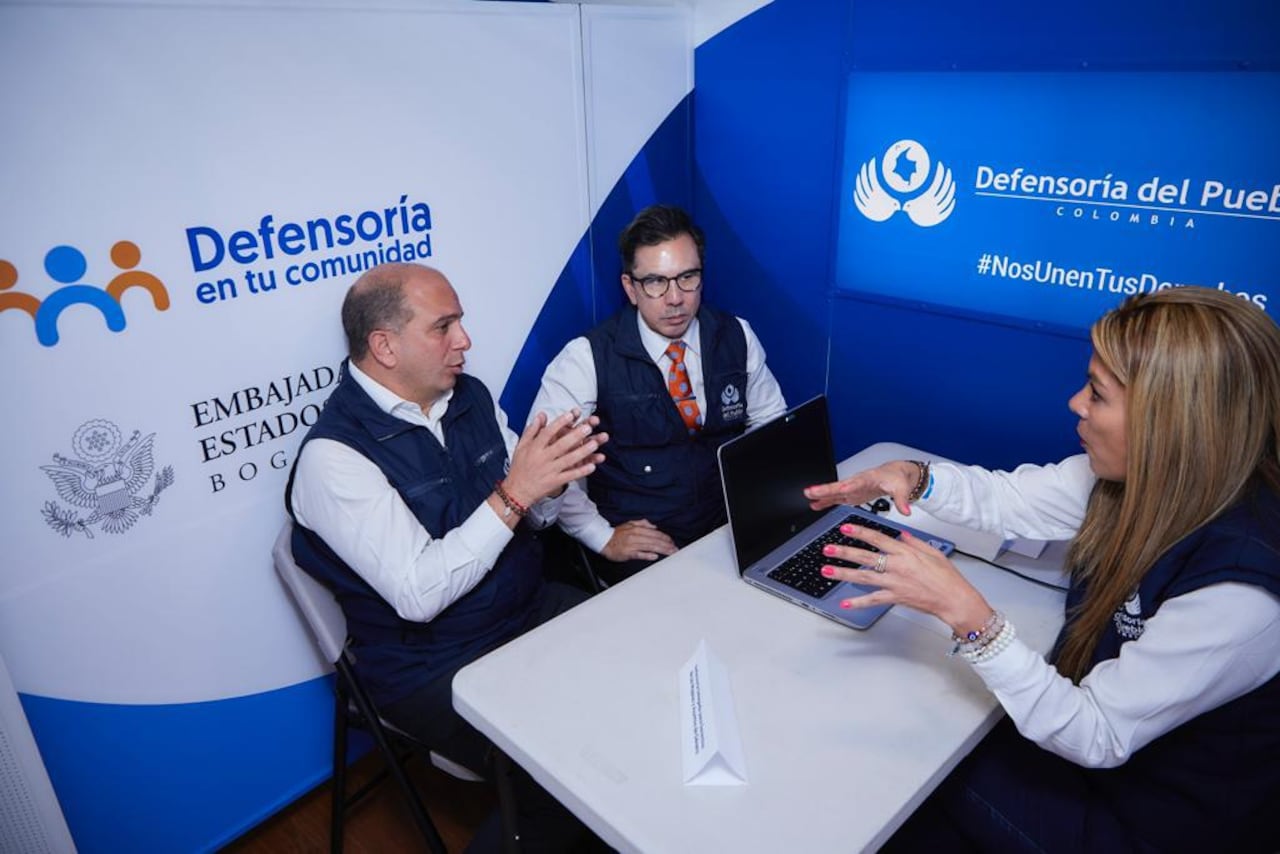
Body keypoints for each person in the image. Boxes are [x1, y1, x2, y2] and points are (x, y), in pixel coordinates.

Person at [805, 286, 1280, 853]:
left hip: (1145, 819)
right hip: (1089, 765)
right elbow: (1008, 499)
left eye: (1098, 394)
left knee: (908, 769)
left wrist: (969, 617)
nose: (1076, 403)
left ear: (1172, 423)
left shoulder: (1242, 591)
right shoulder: (1136, 480)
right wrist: (916, 477)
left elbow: (1096, 733)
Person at [286, 262, 607, 852]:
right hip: (432, 661)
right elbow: (419, 593)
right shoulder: (333, 459)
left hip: (524, 608)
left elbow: (534, 518)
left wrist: (552, 481)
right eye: (444, 326)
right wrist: (517, 491)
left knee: (639, 661)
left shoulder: (469, 397)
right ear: (384, 346)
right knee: (568, 768)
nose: (464, 340)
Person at [530, 204, 787, 585]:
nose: (675, 298)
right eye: (655, 282)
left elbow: (772, 424)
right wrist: (602, 537)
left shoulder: (736, 335)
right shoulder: (584, 359)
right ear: (630, 288)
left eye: (687, 278)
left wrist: (758, 505)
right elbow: (546, 472)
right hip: (646, 550)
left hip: (726, 531)